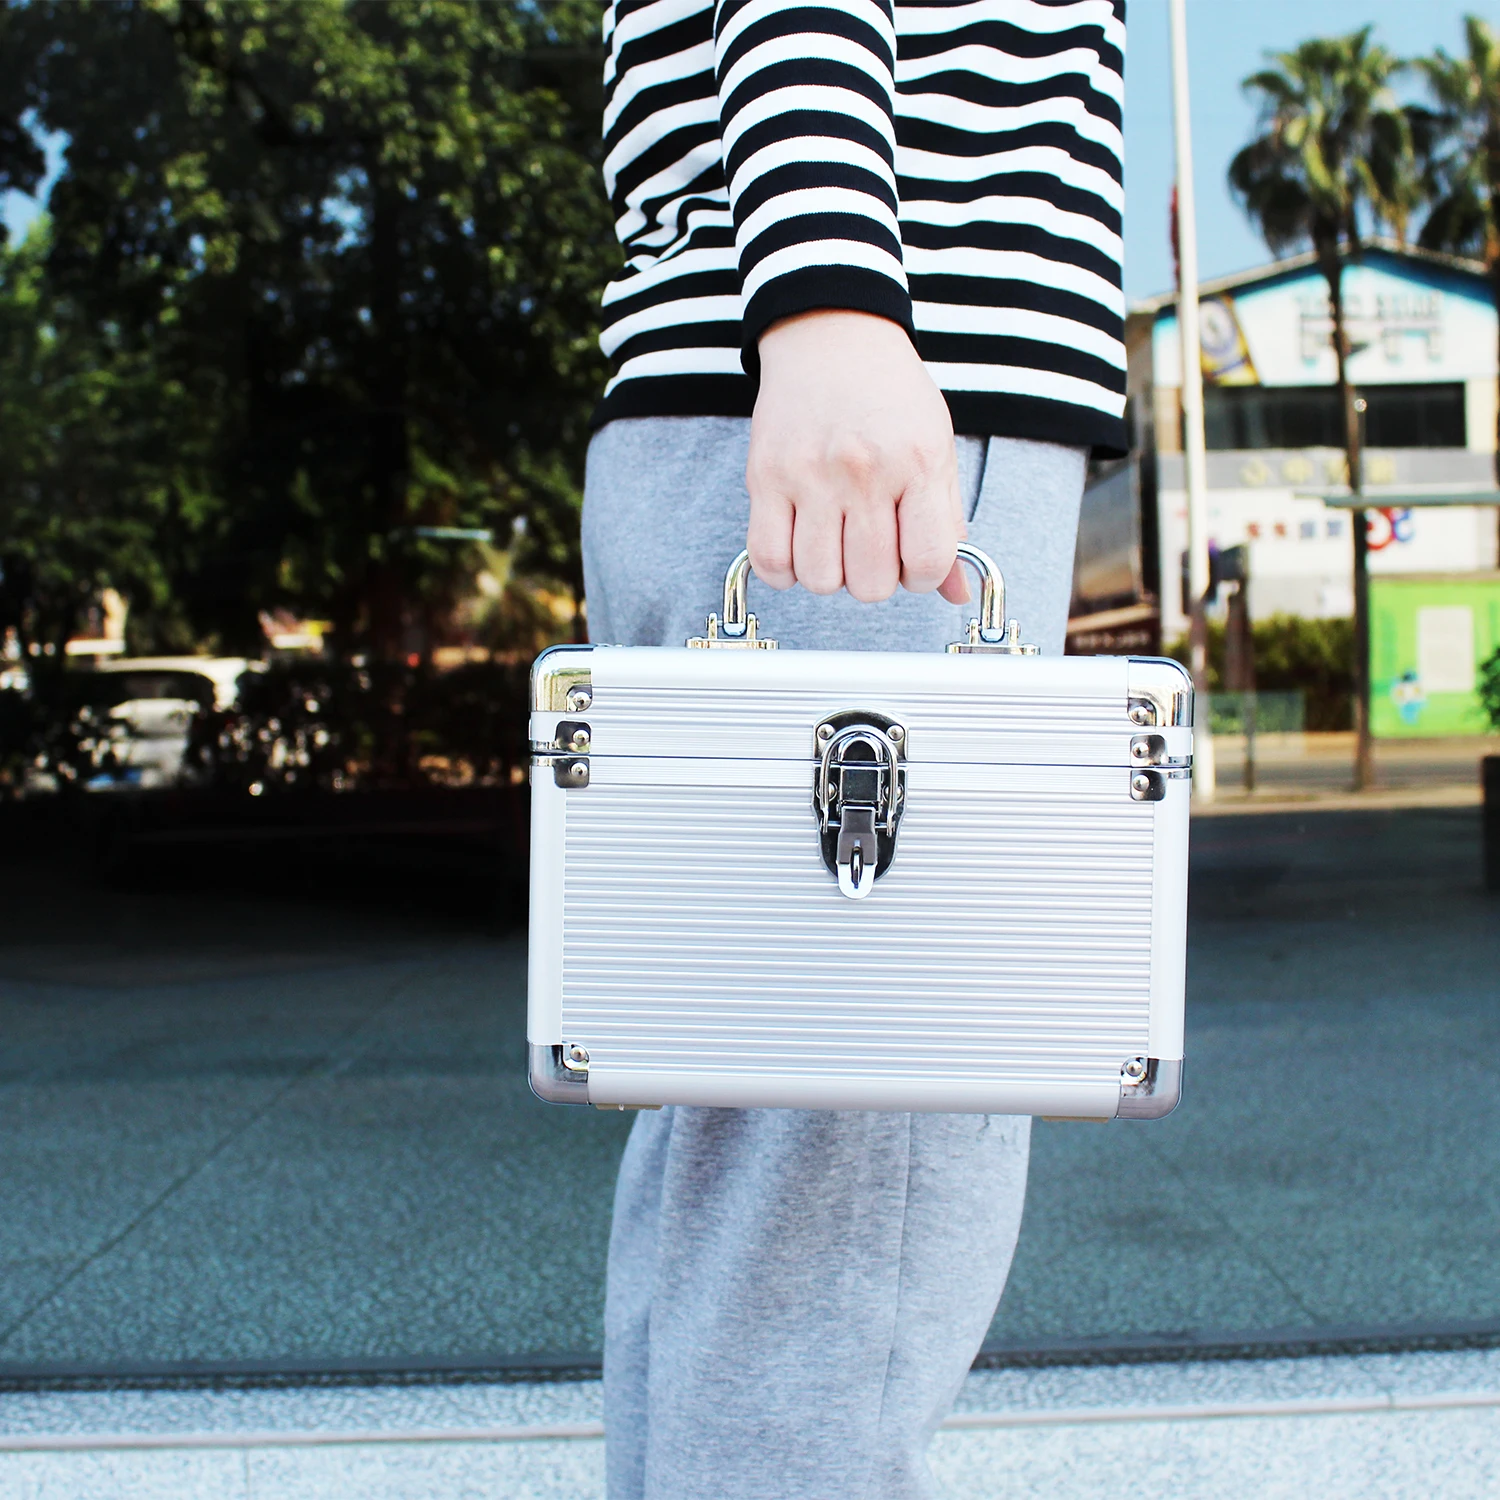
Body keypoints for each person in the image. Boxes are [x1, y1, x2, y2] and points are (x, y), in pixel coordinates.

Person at [580, 2, 1126, 1494]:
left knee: (745, 1197)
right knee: (830, 1252)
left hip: (762, 403)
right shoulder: (849, 338)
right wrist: (830, 299)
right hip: (871, 411)